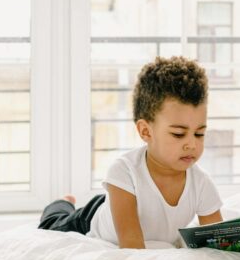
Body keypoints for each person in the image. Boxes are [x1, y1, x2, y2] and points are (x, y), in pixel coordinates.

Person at [38, 56, 223, 248]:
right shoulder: (123, 171)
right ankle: (61, 203)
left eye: (199, 133)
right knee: (52, 225)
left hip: (127, 200)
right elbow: (132, 246)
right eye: (178, 134)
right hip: (91, 218)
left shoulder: (201, 183)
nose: (192, 144)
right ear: (145, 131)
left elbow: (217, 242)